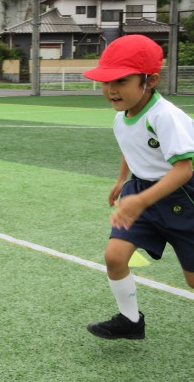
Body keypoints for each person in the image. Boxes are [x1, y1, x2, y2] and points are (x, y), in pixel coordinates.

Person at [82, 34, 194, 339]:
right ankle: (131, 321)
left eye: (121, 80)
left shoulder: (164, 116)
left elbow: (184, 169)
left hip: (182, 197)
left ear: (151, 80)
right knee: (115, 257)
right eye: (106, 81)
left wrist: (141, 200)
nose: (111, 89)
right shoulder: (122, 117)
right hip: (140, 192)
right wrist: (122, 180)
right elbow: (129, 147)